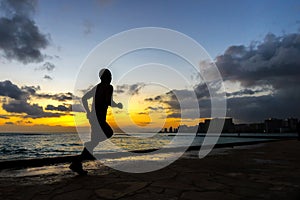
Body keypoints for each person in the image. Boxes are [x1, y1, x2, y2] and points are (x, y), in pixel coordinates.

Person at [70, 68, 122, 175]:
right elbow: (109, 101)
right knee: (108, 133)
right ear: (104, 77)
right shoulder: (109, 87)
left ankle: (77, 163)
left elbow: (84, 98)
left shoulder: (97, 87)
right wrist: (117, 105)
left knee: (94, 143)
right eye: (109, 76)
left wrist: (89, 112)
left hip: (93, 118)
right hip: (99, 118)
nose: (111, 78)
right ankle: (79, 160)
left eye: (111, 76)